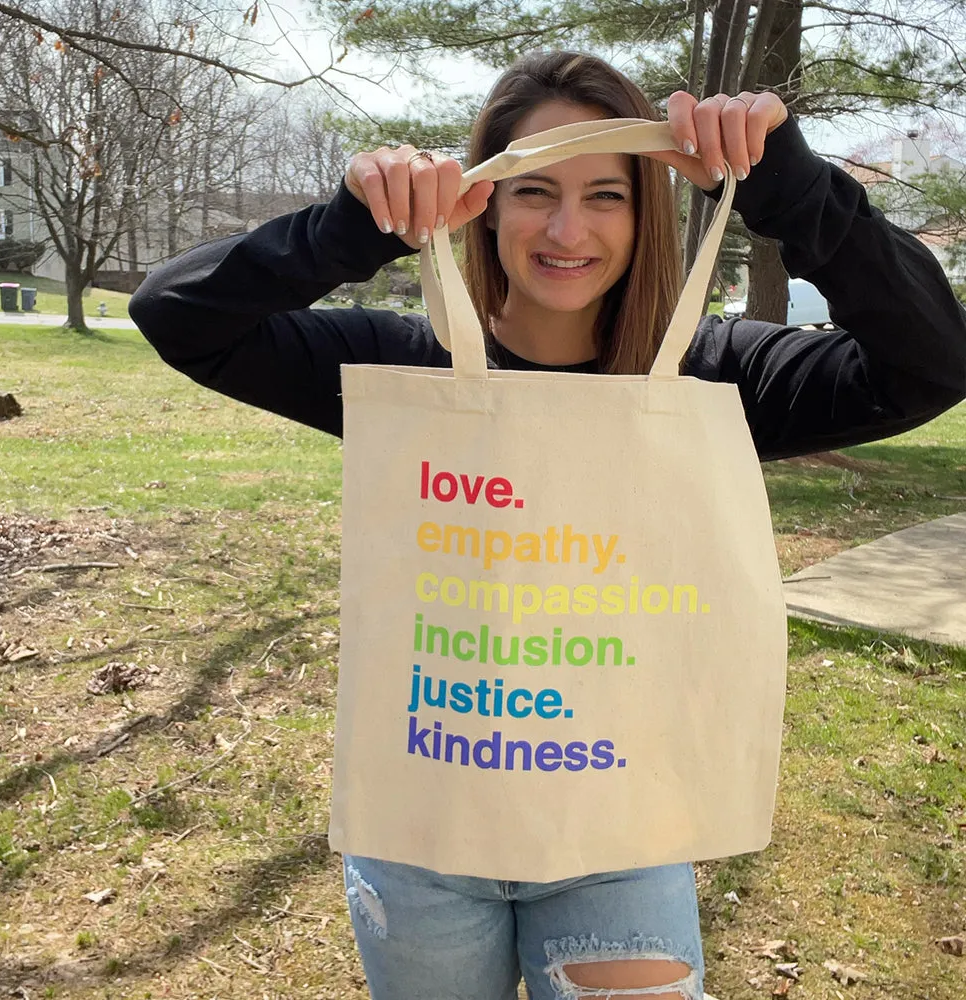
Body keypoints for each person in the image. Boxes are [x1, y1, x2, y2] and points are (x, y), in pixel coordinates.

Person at [130, 50, 966, 1000]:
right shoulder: (408, 375)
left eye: (606, 195)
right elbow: (178, 315)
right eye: (533, 190)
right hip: (424, 836)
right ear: (484, 202)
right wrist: (352, 227)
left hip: (621, 832)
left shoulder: (712, 380)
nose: (568, 229)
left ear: (645, 211)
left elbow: (930, 366)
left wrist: (790, 187)